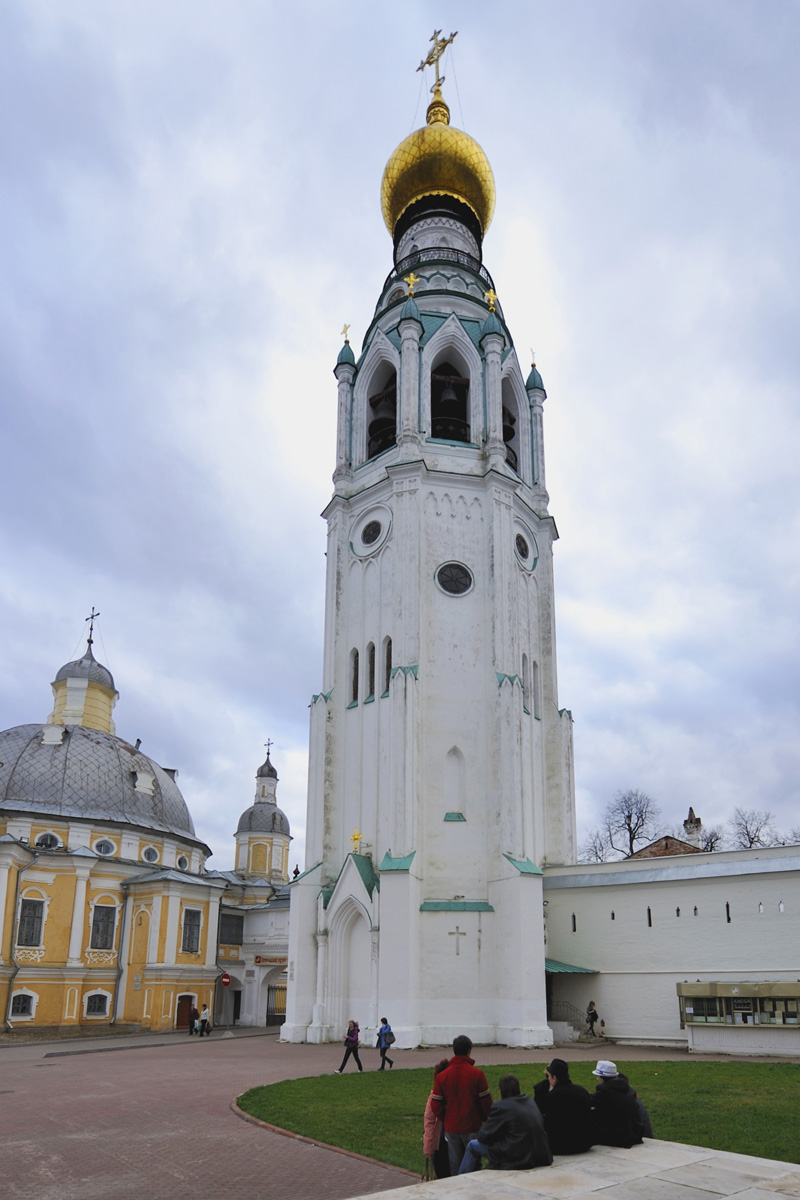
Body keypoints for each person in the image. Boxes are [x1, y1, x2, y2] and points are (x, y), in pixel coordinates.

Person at [458, 1074, 552, 1173]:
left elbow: (483, 1136)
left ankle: (461, 1179)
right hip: (539, 1152)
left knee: (472, 1146)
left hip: (517, 1154)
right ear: (518, 1088)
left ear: (500, 1091)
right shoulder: (528, 1101)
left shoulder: (501, 1107)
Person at [430, 1035, 493, 1175]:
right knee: (474, 1165)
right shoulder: (477, 1074)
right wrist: (483, 1118)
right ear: (469, 1051)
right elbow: (486, 1103)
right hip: (472, 1126)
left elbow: (436, 1104)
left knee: (455, 1165)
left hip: (452, 1128)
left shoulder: (442, 1076)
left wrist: (447, 1117)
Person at [533, 1058, 594, 1154]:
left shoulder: (553, 1096)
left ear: (554, 1077)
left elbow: (549, 1123)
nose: (547, 1079)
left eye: (548, 1076)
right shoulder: (582, 1091)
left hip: (560, 1146)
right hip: (585, 1143)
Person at [591, 1060, 644, 1147]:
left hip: (618, 1137)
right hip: (634, 1134)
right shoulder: (628, 1089)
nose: (597, 1078)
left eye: (598, 1076)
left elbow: (589, 1102)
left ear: (602, 1077)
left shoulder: (604, 1090)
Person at [422, 1059, 451, 1181]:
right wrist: (429, 1145)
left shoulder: (435, 1095)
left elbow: (429, 1121)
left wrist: (428, 1146)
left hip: (444, 1142)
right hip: (442, 1143)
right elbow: (430, 1121)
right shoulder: (435, 1096)